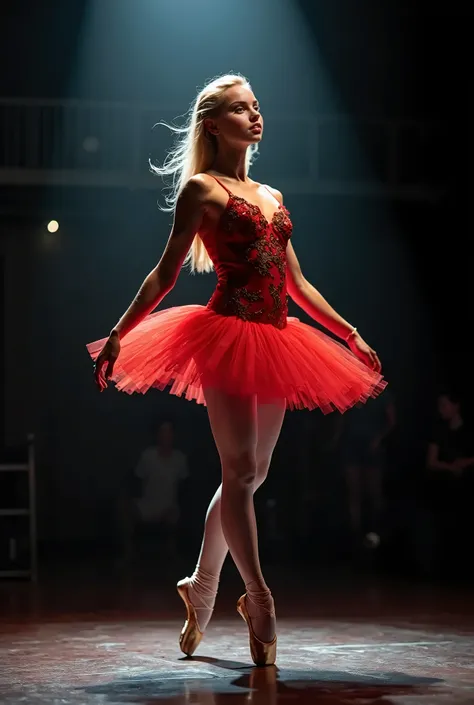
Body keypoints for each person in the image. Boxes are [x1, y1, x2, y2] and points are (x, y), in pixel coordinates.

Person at [87, 73, 386, 666]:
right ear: (213, 124)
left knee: (248, 478)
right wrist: (120, 332)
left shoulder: (272, 196)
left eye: (256, 107)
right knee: (241, 467)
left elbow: (296, 283)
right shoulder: (202, 189)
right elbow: (164, 274)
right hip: (224, 334)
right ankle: (259, 596)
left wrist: (348, 332)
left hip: (277, 338)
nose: (254, 116)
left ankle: (200, 587)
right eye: (240, 109)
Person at [117, 419, 188, 566]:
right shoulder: (148, 456)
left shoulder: (179, 458)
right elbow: (138, 480)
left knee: (174, 515)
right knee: (124, 509)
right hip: (147, 504)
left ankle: (172, 553)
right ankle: (128, 554)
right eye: (163, 432)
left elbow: (183, 486)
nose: (166, 436)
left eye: (169, 432)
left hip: (169, 506)